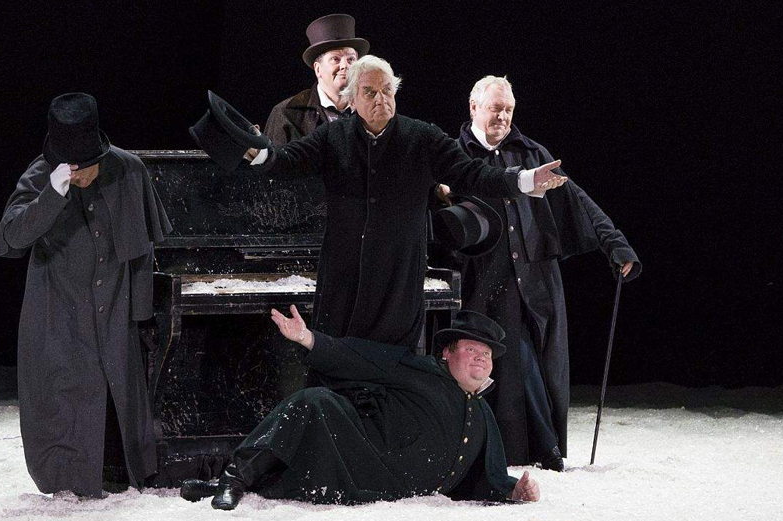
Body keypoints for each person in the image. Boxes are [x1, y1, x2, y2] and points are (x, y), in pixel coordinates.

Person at [240, 56, 568, 350]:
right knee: (335, 358)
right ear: (352, 99)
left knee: (393, 366)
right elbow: (289, 160)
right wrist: (259, 153)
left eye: (387, 91)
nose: (381, 99)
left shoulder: (421, 137)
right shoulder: (333, 137)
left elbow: (473, 173)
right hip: (343, 278)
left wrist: (525, 179)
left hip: (398, 278)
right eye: (370, 92)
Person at [436, 76, 641, 471]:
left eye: (509, 109)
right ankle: (528, 448)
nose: (503, 116)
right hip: (483, 279)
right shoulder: (452, 155)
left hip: (535, 276)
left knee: (541, 361)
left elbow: (575, 198)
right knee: (504, 361)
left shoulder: (530, 153)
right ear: (473, 107)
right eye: (495, 108)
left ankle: (538, 447)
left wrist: (614, 243)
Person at [179, 308, 541, 509]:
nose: (480, 357)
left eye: (486, 354)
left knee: (289, 486)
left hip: (377, 492)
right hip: (360, 459)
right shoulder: (419, 370)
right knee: (314, 401)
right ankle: (233, 478)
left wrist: (512, 491)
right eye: (471, 349)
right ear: (447, 353)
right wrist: (307, 338)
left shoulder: (483, 415)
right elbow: (355, 359)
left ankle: (215, 489)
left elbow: (482, 476)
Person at [0, 92, 172, 497]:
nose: (78, 176)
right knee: (64, 395)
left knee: (119, 395)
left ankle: (124, 471)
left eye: (83, 168)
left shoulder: (129, 169)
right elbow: (12, 236)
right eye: (70, 170)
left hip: (115, 308)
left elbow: (143, 250)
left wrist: (140, 315)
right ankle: (66, 479)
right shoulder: (41, 175)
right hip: (58, 308)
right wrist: (51, 195)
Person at [263, 14, 369, 145]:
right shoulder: (287, 113)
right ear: (318, 69)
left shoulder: (371, 108)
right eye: (335, 59)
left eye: (351, 59)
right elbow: (274, 158)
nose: (345, 66)